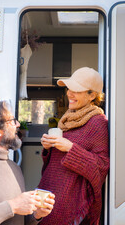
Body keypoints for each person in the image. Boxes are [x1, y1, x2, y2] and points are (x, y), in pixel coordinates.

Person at [38, 67, 110, 225]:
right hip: (50, 195)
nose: (69, 93)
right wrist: (48, 147)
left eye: (76, 90)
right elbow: (57, 161)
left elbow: (102, 166)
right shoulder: (68, 119)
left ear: (92, 95)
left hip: (71, 205)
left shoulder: (97, 123)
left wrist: (70, 148)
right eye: (69, 88)